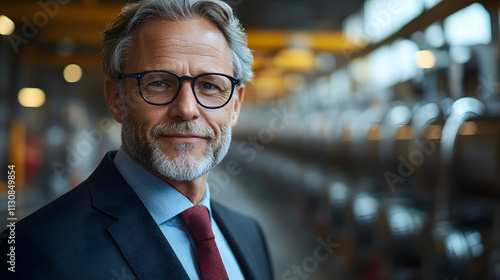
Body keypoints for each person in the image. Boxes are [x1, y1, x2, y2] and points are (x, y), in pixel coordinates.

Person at [0, 0, 273, 279]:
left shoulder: (249, 236)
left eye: (209, 86)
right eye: (159, 83)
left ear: (235, 105)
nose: (187, 109)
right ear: (116, 98)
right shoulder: (32, 253)